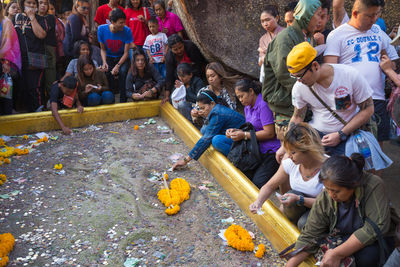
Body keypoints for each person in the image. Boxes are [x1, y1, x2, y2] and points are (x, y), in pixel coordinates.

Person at [286, 153, 397, 267]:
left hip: (376, 239)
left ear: (353, 184)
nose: (331, 194)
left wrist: (338, 253)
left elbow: (377, 226)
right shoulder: (327, 195)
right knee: (306, 226)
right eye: (327, 189)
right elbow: (310, 233)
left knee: (367, 257)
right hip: (343, 234)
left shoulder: (373, 185)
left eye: (336, 191)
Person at [324, 0, 399, 147]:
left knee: (376, 148)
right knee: (349, 148)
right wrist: (340, 103)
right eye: (370, 16)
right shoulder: (337, 35)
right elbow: (330, 72)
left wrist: (389, 66)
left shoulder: (377, 30)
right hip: (350, 99)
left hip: (376, 97)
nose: (374, 19)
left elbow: (385, 57)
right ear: (355, 13)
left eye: (377, 14)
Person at [284, 42, 374, 157]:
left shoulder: (349, 75)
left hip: (348, 136)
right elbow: (297, 116)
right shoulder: (299, 87)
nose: (298, 80)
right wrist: (286, 146)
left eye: (300, 75)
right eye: (294, 76)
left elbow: (368, 109)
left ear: (315, 66)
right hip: (318, 138)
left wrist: (341, 134)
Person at [261, 0, 322, 141]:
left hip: (298, 107)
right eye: (317, 15)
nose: (319, 20)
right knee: (294, 155)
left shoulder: (307, 36)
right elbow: (286, 74)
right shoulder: (285, 38)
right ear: (307, 14)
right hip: (286, 110)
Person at [249, 123, 326, 228]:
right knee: (290, 197)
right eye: (287, 151)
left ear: (307, 150)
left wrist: (299, 199)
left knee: (303, 223)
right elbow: (270, 186)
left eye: (293, 152)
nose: (288, 156)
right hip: (300, 204)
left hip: (322, 208)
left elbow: (326, 204)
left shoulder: (328, 167)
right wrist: (258, 202)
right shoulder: (290, 162)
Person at [225, 79, 280, 188]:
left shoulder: (263, 105)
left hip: (271, 151)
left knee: (257, 184)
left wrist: (244, 135)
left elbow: (269, 133)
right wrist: (236, 131)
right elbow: (252, 128)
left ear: (251, 91)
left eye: (242, 96)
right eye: (238, 97)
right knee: (242, 174)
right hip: (257, 148)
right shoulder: (247, 107)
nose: (240, 100)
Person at [171, 90, 245, 170]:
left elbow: (206, 138)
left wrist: (186, 160)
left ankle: (237, 161)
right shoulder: (216, 109)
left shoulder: (217, 113)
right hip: (231, 134)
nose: (201, 110)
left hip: (243, 141)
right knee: (204, 130)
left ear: (212, 103)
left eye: (203, 108)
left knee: (216, 141)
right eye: (200, 108)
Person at [13, 0, 48, 112]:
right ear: (23, 4)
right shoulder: (16, 17)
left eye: (34, 3)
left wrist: (32, 17)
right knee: (22, 86)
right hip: (19, 58)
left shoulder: (41, 18)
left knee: (35, 87)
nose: (32, 5)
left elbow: (41, 35)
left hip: (35, 58)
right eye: (29, 3)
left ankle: (38, 110)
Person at [98, 8, 133, 103]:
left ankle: (123, 99)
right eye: (120, 22)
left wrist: (118, 65)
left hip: (122, 57)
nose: (123, 25)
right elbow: (103, 49)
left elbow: (126, 53)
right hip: (109, 57)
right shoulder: (101, 29)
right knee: (107, 72)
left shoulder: (127, 31)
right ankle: (110, 98)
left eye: (124, 22)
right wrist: (104, 62)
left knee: (122, 72)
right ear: (112, 22)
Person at [163, 34, 206, 104]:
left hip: (194, 76)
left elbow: (199, 65)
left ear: (183, 44)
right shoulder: (169, 57)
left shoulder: (190, 47)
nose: (179, 51)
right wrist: (167, 95)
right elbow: (169, 76)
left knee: (198, 96)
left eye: (180, 47)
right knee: (173, 99)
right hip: (180, 80)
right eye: (175, 49)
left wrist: (188, 80)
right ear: (171, 49)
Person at [0, 3, 21, 114]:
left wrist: (5, 61)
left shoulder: (6, 22)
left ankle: (7, 113)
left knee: (5, 90)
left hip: (4, 61)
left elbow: (8, 45)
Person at [258, 5, 284, 82]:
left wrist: (266, 57)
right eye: (262, 21)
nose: (265, 24)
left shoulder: (285, 33)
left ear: (277, 18)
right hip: (269, 74)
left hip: (283, 71)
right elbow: (260, 61)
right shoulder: (263, 39)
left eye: (267, 20)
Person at [37, 0, 57, 97]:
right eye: (40, 3)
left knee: (50, 76)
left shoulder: (50, 17)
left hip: (48, 49)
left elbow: (43, 30)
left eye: (45, 3)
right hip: (36, 48)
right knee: (38, 77)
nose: (43, 5)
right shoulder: (32, 18)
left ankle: (51, 100)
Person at [48, 0, 65, 78]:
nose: (51, 11)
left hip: (60, 51)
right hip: (50, 52)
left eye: (52, 9)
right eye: (49, 9)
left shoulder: (60, 21)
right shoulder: (44, 21)